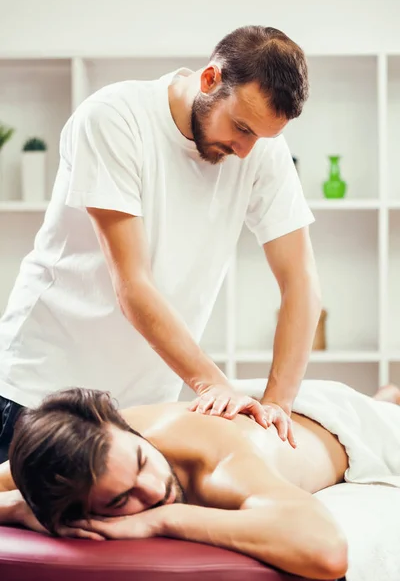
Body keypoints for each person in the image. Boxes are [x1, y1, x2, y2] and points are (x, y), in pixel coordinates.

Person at [0, 25, 321, 464]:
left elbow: (300, 280)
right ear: (210, 79)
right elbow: (132, 283)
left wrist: (277, 405)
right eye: (241, 127)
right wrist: (212, 384)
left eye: (260, 138)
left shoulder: (261, 149)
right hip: (40, 391)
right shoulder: (114, 118)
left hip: (140, 410)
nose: (245, 151)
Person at [1, 381, 400, 580]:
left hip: (355, 428)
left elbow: (326, 552)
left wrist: (163, 519)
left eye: (142, 462)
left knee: (384, 412)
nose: (155, 490)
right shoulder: (81, 447)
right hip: (258, 404)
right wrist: (23, 508)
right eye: (122, 499)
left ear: (119, 424)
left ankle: (385, 399)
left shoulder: (220, 465)